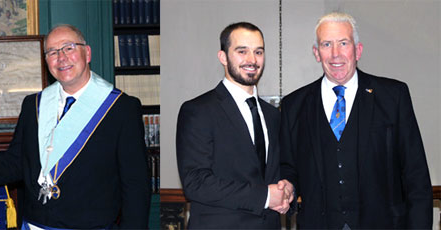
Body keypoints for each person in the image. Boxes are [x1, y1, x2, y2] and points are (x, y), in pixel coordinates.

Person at [0, 24, 151, 229]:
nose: (61, 57)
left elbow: (135, 186)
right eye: (52, 52)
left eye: (69, 47)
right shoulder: (33, 105)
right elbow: (15, 164)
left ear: (88, 53)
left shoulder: (121, 108)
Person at [279, 12, 432, 229]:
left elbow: (416, 177)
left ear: (358, 50)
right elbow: (288, 168)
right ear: (316, 53)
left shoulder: (393, 97)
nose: (335, 54)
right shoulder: (294, 106)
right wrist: (287, 187)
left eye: (343, 43)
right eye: (326, 44)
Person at [176, 22, 292, 229]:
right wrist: (265, 196)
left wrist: (288, 188)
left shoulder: (273, 115)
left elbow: (277, 169)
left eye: (258, 52)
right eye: (242, 51)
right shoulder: (198, 111)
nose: (252, 60)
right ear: (223, 57)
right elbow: (195, 183)